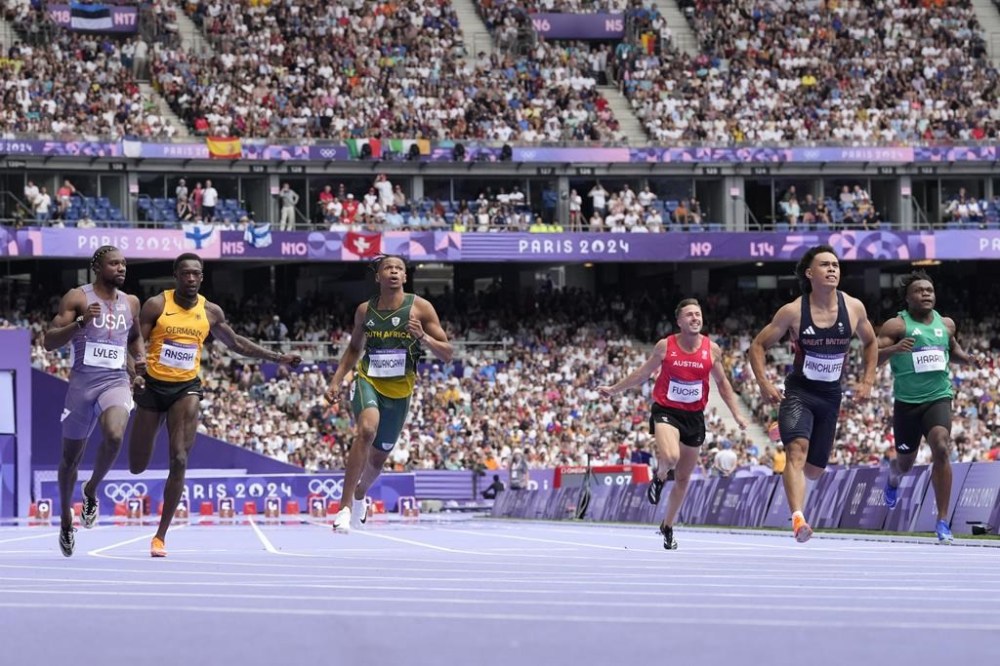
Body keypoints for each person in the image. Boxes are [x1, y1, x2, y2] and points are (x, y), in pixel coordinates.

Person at [129, 253, 300, 557]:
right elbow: (136, 342)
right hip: (153, 386)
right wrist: (136, 368)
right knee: (137, 465)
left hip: (187, 387)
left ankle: (160, 536)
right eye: (185, 274)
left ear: (202, 277)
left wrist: (277, 358)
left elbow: (236, 343)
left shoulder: (210, 311)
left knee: (179, 458)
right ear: (176, 275)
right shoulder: (157, 304)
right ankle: (147, 444)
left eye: (196, 274)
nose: (191, 279)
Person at [748, 244, 878, 543]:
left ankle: (784, 427)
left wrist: (868, 381)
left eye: (835, 265)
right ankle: (798, 519)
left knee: (815, 471)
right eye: (825, 265)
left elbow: (871, 343)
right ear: (810, 273)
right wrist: (764, 384)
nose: (832, 269)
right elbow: (757, 346)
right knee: (796, 453)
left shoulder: (854, 308)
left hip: (831, 395)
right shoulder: (793, 311)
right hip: (800, 392)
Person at [599, 298, 748, 550]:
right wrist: (613, 390)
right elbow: (643, 373)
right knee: (670, 455)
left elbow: (722, 384)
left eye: (698, 314)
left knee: (682, 478)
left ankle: (667, 526)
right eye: (689, 315)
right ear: (679, 321)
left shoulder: (712, 350)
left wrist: (737, 415)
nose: (694, 318)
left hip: (694, 416)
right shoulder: (665, 347)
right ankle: (659, 476)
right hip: (666, 410)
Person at [324, 255, 452, 533]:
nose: (393, 272)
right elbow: (354, 349)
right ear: (378, 277)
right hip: (368, 379)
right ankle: (344, 508)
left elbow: (448, 354)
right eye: (388, 268)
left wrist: (423, 337)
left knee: (378, 458)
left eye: (399, 269)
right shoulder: (364, 311)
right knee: (366, 430)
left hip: (400, 391)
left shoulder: (420, 308)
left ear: (405, 277)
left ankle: (360, 495)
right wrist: (337, 379)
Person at [43, 246, 144, 557]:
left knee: (115, 435)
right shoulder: (77, 297)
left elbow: (135, 337)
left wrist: (139, 363)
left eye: (124, 264)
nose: (121, 268)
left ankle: (90, 491)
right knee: (69, 460)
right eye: (114, 263)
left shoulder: (131, 302)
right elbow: (48, 341)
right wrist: (80, 324)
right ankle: (64, 521)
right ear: (98, 267)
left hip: (114, 382)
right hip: (81, 385)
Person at [877, 271, 982, 544]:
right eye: (919, 290)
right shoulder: (896, 326)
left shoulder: (946, 324)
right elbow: (872, 357)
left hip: (938, 397)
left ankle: (943, 521)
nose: (926, 293)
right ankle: (892, 477)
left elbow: (953, 351)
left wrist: (968, 359)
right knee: (905, 464)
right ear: (907, 297)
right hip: (907, 404)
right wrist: (895, 349)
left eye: (929, 290)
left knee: (941, 446)